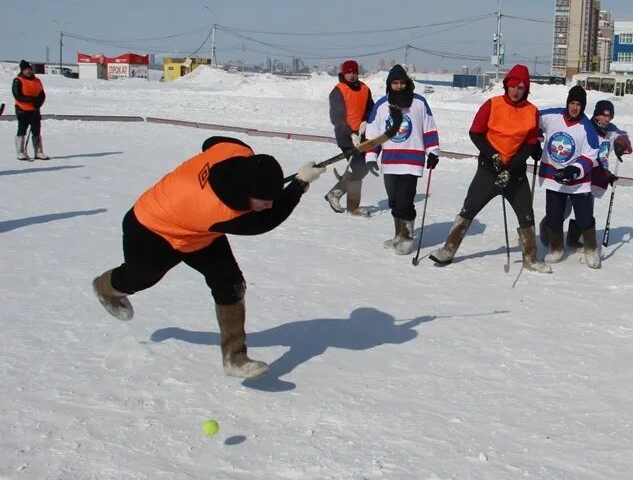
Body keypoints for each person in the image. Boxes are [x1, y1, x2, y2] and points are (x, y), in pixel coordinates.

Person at [91, 136, 326, 379]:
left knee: (230, 283)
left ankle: (234, 358)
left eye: (270, 199)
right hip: (151, 227)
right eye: (263, 201)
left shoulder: (236, 151)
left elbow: (212, 142)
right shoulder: (222, 211)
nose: (268, 205)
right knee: (140, 278)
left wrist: (276, 186)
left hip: (198, 232)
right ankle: (105, 287)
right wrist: (299, 184)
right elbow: (268, 220)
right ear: (243, 193)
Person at [429, 64, 549, 273]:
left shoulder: (532, 111)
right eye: (512, 86)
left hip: (515, 172)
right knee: (469, 208)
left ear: (526, 88)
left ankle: (531, 257)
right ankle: (448, 250)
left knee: (526, 214)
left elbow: (530, 144)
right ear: (506, 85)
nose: (515, 90)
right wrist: (493, 156)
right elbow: (476, 133)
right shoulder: (491, 105)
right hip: (488, 169)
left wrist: (509, 168)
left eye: (521, 87)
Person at [364, 65, 440, 255]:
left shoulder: (419, 103)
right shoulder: (381, 106)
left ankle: (407, 237)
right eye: (395, 83)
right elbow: (373, 134)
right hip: (390, 162)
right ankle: (398, 234)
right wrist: (371, 156)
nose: (399, 86)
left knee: (405, 201)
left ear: (407, 83)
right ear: (390, 85)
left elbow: (429, 128)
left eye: (402, 82)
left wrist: (433, 152)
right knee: (394, 201)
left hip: (412, 161)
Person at [537, 86, 601, 268]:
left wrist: (574, 170)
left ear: (583, 106)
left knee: (584, 217)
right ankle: (556, 249)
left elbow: (591, 156)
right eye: (572, 103)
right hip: (553, 177)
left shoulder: (587, 127)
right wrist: (534, 140)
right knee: (554, 216)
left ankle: (590, 249)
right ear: (567, 103)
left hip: (577, 182)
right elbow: (531, 120)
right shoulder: (552, 116)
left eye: (578, 104)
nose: (574, 107)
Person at [566, 99, 633, 251]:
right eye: (603, 116)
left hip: (596, 177)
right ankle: (548, 230)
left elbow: (623, 136)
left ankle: (573, 240)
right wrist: (605, 173)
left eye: (610, 117)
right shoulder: (586, 127)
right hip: (578, 175)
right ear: (596, 115)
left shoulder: (611, 130)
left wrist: (620, 144)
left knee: (586, 211)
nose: (607, 119)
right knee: (565, 209)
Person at [324, 60, 376, 216]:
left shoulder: (365, 89)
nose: (352, 75)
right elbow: (336, 117)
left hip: (362, 133)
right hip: (345, 135)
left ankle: (339, 193)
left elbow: (370, 108)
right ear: (343, 73)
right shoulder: (338, 91)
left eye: (354, 72)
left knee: (361, 167)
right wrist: (350, 133)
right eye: (349, 72)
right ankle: (349, 204)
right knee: (360, 167)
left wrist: (366, 121)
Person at [12, 60, 47, 160]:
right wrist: (32, 100)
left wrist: (38, 103)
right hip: (22, 109)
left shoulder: (37, 80)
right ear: (22, 70)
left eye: (29, 69)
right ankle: (20, 152)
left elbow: (42, 94)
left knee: (36, 131)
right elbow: (18, 96)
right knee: (22, 130)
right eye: (25, 69)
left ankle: (38, 152)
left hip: (34, 110)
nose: (28, 71)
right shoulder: (17, 80)